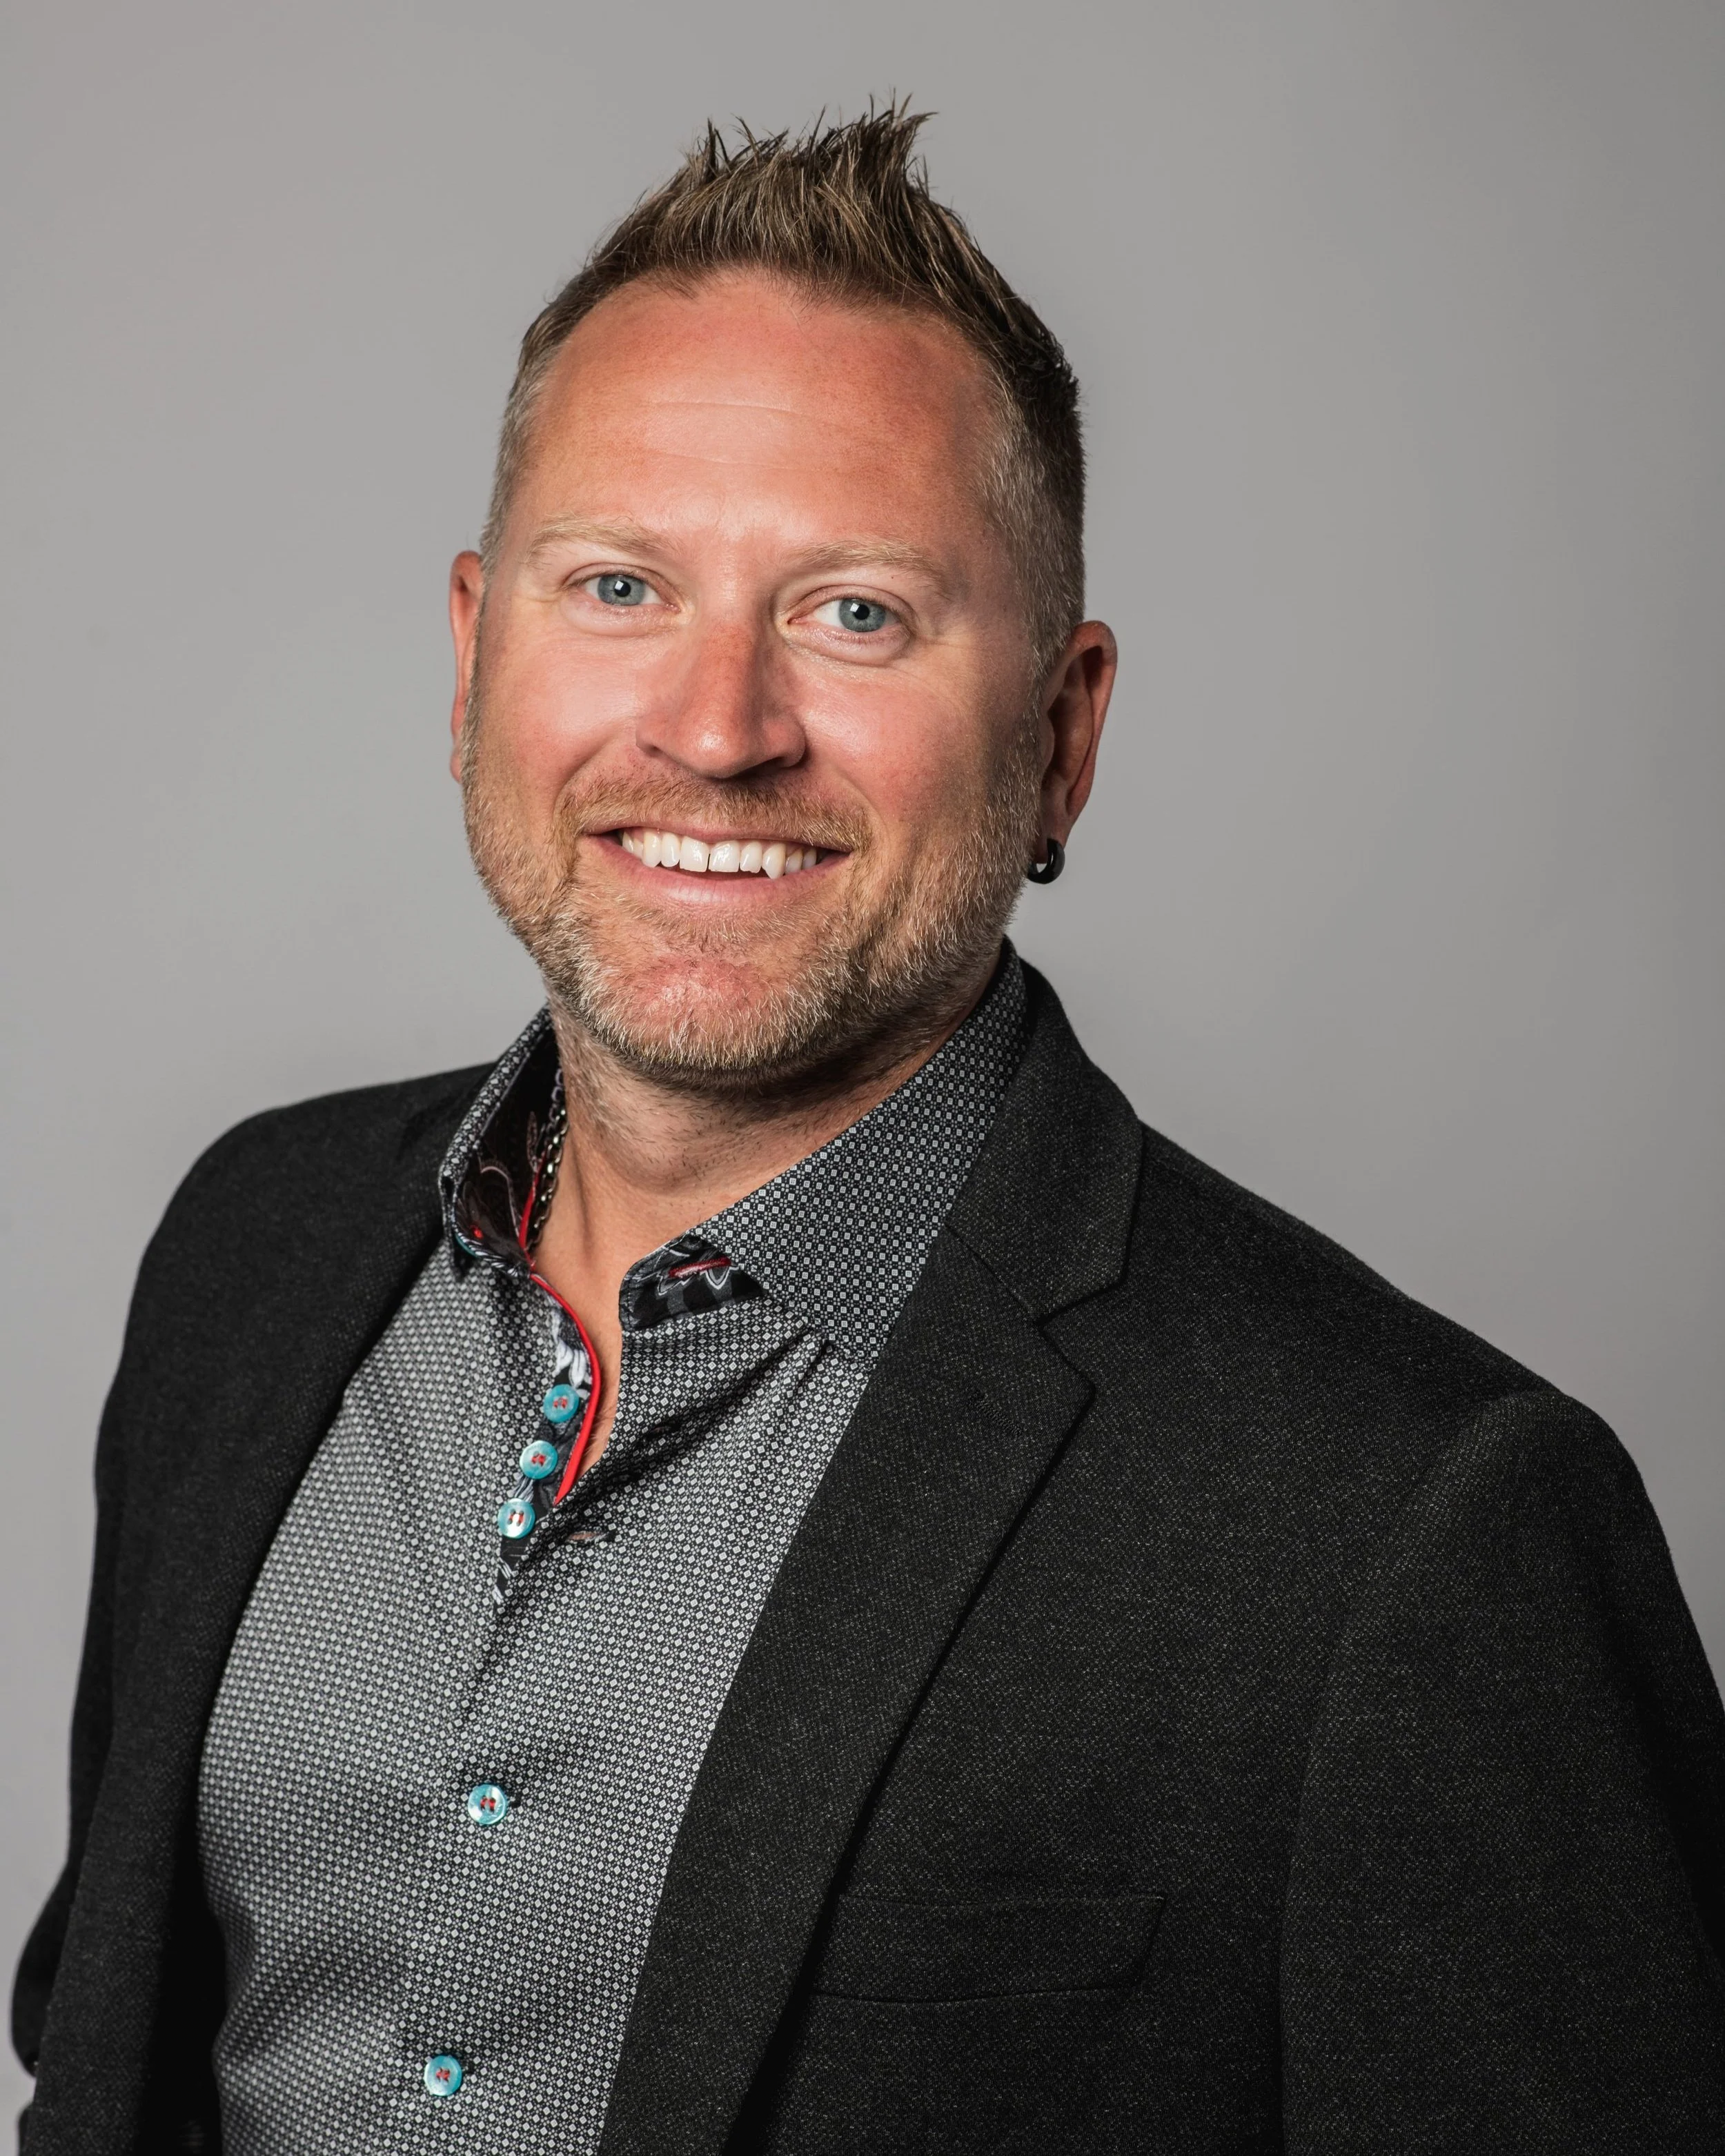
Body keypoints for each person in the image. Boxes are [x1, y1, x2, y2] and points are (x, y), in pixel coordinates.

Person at [13, 106, 1725, 2156]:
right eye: (621, 585)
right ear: (474, 657)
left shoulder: (1417, 1526)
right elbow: (105, 2049)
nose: (715, 726)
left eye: (856, 615)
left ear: (1061, 733)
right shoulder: (253, 1250)